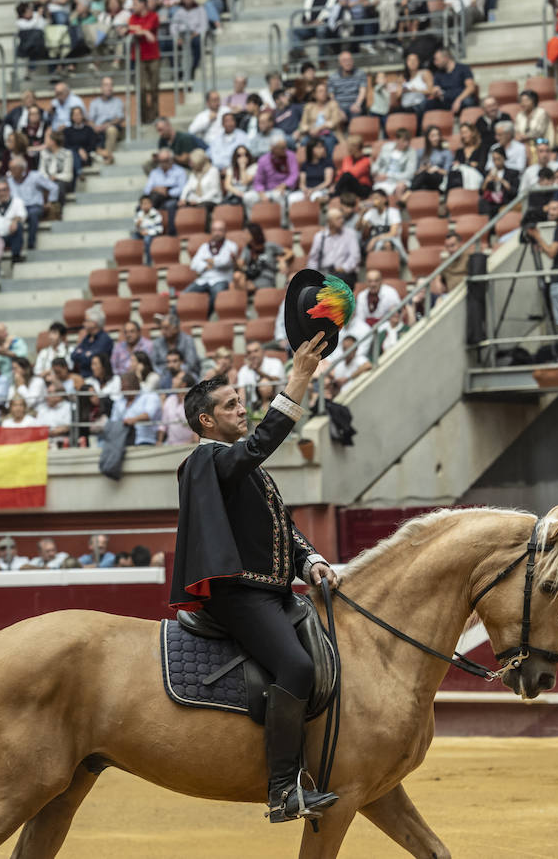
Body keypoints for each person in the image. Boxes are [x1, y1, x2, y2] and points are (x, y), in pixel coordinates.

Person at [171, 334, 340, 824]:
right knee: (298, 669)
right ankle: (284, 789)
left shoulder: (234, 465)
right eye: (231, 405)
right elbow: (260, 444)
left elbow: (280, 526)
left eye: (241, 401)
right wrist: (299, 380)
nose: (241, 409)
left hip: (268, 591)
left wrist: (310, 562)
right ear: (206, 420)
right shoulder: (208, 460)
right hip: (239, 596)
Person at [526, 197, 558, 362]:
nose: (550, 212)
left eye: (555, 209)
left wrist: (538, 236)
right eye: (550, 209)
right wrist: (541, 246)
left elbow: (552, 253)